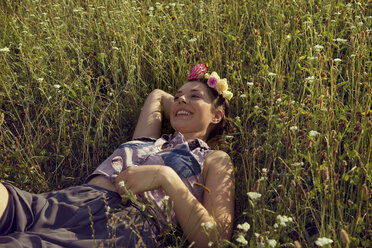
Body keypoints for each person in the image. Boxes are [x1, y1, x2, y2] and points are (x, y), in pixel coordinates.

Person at [0, 64, 235, 248]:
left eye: (195, 96)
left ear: (217, 116)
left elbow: (215, 239)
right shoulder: (149, 140)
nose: (181, 99)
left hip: (124, 226)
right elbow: (156, 95)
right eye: (177, 96)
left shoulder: (214, 159)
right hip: (76, 200)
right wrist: (186, 102)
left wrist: (165, 177)